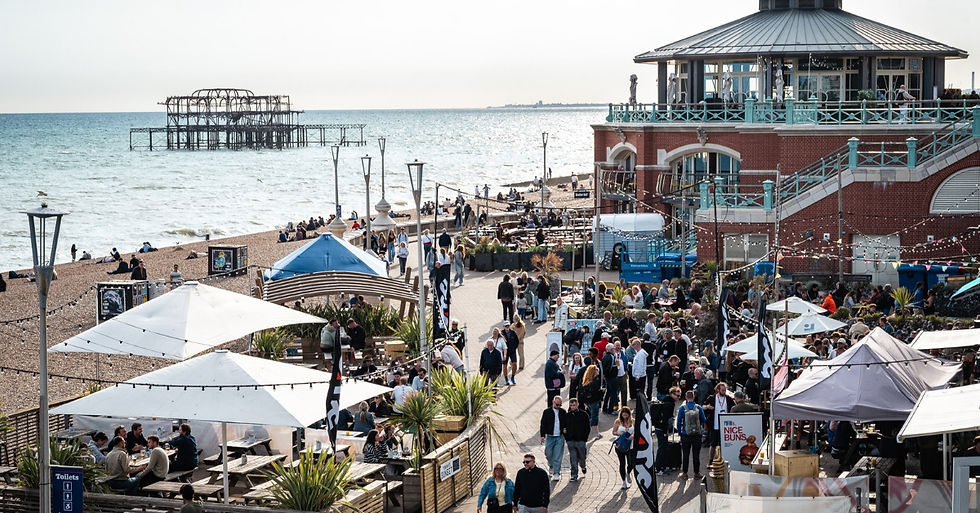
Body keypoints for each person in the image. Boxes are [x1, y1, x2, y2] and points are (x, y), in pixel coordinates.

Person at [675, 390, 707, 480]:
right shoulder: (698, 407)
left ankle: (685, 473)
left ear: (686, 397)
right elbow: (703, 419)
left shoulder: (682, 408)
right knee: (696, 454)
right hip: (697, 435)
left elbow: (678, 422)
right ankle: (697, 473)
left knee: (685, 454)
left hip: (686, 434)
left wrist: (680, 433)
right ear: (693, 397)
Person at [703, 382, 735, 461]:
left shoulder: (728, 398)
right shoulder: (712, 398)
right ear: (718, 390)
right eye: (723, 390)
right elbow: (702, 406)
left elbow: (734, 407)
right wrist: (707, 407)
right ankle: (710, 460)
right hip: (715, 425)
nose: (724, 392)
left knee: (725, 444)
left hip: (726, 426)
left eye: (725, 390)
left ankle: (724, 460)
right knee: (713, 444)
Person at [539, 395, 567, 481]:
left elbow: (566, 422)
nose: (558, 406)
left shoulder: (563, 412)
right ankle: (551, 465)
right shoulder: (547, 412)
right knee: (548, 453)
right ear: (553, 402)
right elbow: (543, 424)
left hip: (559, 437)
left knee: (558, 456)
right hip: (550, 437)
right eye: (557, 404)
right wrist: (542, 435)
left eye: (560, 405)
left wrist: (565, 429)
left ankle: (556, 472)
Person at [565, 398, 590, 481]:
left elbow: (587, 427)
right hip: (571, 441)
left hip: (581, 440)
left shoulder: (583, 414)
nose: (572, 407)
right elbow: (564, 428)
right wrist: (567, 438)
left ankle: (583, 466)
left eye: (574, 405)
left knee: (582, 457)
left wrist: (584, 438)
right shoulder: (567, 416)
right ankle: (574, 474)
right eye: (571, 405)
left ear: (577, 404)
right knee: (573, 458)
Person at [612, 407, 635, 489]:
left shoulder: (633, 421)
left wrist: (633, 435)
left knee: (631, 463)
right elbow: (613, 432)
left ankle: (628, 473)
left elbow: (637, 431)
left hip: (630, 446)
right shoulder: (617, 421)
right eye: (623, 414)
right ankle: (623, 482)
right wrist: (618, 433)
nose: (625, 416)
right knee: (622, 463)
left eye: (626, 415)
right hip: (620, 445)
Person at [629, 338, 648, 405]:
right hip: (639, 375)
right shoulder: (639, 353)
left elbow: (641, 365)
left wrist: (638, 376)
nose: (632, 346)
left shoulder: (641, 354)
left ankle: (641, 405)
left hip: (640, 376)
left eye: (633, 345)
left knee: (640, 392)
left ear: (637, 345)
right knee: (639, 392)